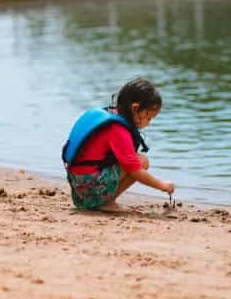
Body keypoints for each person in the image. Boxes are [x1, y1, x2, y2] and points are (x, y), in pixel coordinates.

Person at [62, 78, 175, 211]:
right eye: (148, 117)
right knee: (141, 161)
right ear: (135, 108)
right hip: (89, 189)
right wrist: (163, 186)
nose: (149, 123)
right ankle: (106, 202)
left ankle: (101, 200)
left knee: (132, 160)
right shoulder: (118, 129)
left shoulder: (109, 116)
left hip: (78, 187)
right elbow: (135, 170)